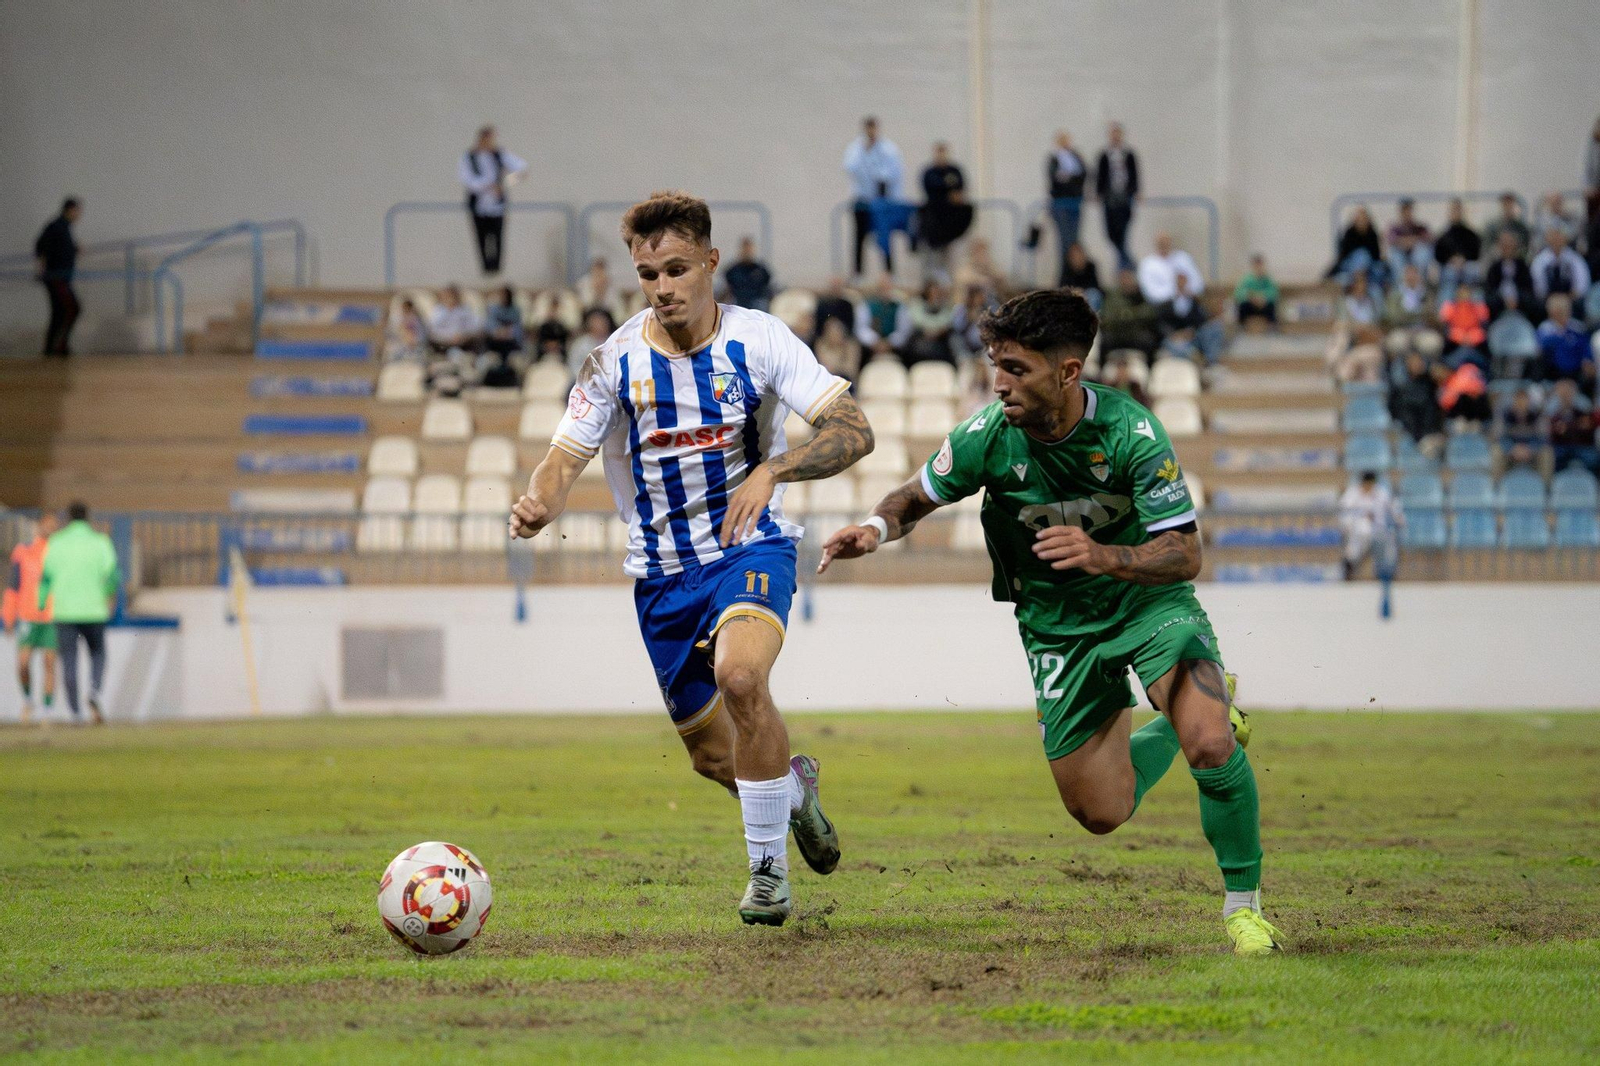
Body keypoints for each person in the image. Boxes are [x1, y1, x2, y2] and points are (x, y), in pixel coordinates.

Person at [818, 288, 1280, 957]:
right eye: (995, 365)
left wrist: (1104, 555)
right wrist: (872, 528)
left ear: (1067, 372)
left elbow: (1185, 553)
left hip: (1146, 605)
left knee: (1213, 744)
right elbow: (916, 496)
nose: (998, 382)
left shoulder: (1132, 433)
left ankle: (1245, 911)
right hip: (1057, 628)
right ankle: (1179, 727)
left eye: (1016, 368)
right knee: (1101, 812)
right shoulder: (986, 437)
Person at [509, 191, 873, 926]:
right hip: (662, 576)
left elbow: (852, 428)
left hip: (751, 546)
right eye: (648, 275)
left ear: (711, 263)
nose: (663, 287)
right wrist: (539, 500)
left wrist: (774, 470)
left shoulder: (761, 340)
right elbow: (563, 454)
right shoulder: (613, 360)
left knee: (741, 677)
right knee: (714, 759)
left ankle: (767, 875)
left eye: (677, 269)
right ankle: (791, 792)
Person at [37, 502, 119, 724]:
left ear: (68, 518)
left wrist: (42, 602)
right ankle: (94, 691)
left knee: (69, 661)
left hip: (64, 612)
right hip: (94, 610)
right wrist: (110, 598)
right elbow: (112, 576)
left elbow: (45, 577)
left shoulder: (56, 543)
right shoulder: (101, 542)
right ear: (88, 517)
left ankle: (75, 712)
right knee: (98, 654)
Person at [3, 513, 58, 723]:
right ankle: (28, 700)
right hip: (27, 615)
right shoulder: (23, 551)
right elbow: (13, 585)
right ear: (38, 527)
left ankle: (47, 709)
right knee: (23, 664)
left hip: (51, 616)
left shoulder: (57, 552)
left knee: (49, 662)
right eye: (47, 526)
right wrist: (8, 615)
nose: (49, 530)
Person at [459, 125, 528, 275]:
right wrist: (487, 186)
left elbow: (521, 169)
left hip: (497, 205)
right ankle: (485, 269)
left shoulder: (499, 154)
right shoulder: (469, 156)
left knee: (497, 237)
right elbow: (467, 179)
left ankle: (496, 269)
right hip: (478, 204)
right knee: (481, 238)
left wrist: (504, 185)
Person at [842, 116, 904, 277]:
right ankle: (858, 273)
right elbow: (850, 167)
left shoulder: (888, 148)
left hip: (882, 201)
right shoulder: (856, 148)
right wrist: (866, 150)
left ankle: (889, 273)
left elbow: (894, 172)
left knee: (884, 237)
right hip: (862, 201)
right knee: (859, 237)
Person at [35, 198, 82, 357]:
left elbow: (61, 249)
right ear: (70, 210)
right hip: (56, 278)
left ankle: (53, 347)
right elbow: (40, 245)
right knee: (71, 308)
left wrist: (74, 249)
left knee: (60, 311)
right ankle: (57, 346)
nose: (79, 215)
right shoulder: (56, 226)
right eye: (77, 211)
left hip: (62, 278)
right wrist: (42, 267)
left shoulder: (65, 228)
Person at [917, 142, 972, 276]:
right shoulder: (929, 173)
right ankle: (934, 277)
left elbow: (959, 193)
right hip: (934, 219)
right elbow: (932, 192)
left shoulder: (954, 171)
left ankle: (948, 275)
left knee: (951, 254)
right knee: (933, 254)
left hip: (951, 220)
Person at [1337, 473, 1403, 582]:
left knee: (1388, 543)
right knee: (1356, 542)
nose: (1368, 487)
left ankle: (1385, 573)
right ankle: (1349, 568)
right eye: (1366, 484)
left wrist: (1398, 519)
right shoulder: (1352, 493)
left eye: (1371, 484)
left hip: (1379, 529)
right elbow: (1344, 512)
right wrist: (1347, 526)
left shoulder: (1381, 493)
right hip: (1357, 529)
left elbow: (1394, 509)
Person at [1094, 122, 1140, 269]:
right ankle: (1128, 260)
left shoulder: (1129, 154)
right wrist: (1099, 193)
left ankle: (1124, 266)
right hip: (1109, 198)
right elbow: (1100, 176)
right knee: (1110, 233)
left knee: (1123, 231)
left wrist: (1135, 191)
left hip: (1125, 198)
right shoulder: (1104, 155)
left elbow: (1134, 174)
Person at [1046, 130, 1088, 284]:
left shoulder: (1075, 156)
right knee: (1064, 242)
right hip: (1061, 204)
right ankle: (1064, 278)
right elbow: (1055, 180)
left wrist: (1067, 178)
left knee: (1074, 242)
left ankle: (1075, 276)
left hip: (1074, 203)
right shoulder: (1054, 158)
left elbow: (1082, 175)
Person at [1157, 272, 1225, 367]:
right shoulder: (1167, 303)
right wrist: (1174, 334)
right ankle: (1191, 356)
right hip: (1175, 337)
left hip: (1193, 335)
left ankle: (1211, 362)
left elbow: (1201, 320)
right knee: (1174, 345)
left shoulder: (1194, 301)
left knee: (1214, 328)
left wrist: (1191, 331)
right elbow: (1162, 323)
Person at [1328, 272, 1384, 383]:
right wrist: (1354, 327)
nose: (1360, 288)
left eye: (1363, 285)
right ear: (1352, 286)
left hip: (1366, 344)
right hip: (1349, 341)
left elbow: (1376, 330)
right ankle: (1334, 363)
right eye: (1357, 285)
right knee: (1340, 335)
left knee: (1365, 364)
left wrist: (1363, 330)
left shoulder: (1371, 304)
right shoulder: (1345, 303)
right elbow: (1339, 325)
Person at [1388, 351, 1444, 454]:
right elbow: (1399, 414)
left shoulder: (1430, 385)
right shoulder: (1401, 390)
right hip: (1415, 434)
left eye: (1419, 362)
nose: (1418, 365)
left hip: (1432, 432)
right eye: (1414, 363)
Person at [1382, 263, 1440, 362]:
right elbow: (1393, 317)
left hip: (1422, 330)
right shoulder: (1395, 295)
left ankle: (1426, 370)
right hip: (1401, 330)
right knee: (1396, 343)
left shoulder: (1426, 294)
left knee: (1433, 343)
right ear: (1404, 276)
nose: (1412, 277)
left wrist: (1411, 316)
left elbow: (1432, 315)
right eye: (1409, 274)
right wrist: (1418, 315)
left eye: (1414, 274)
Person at [1099, 267, 1161, 358]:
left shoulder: (1140, 294)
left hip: (1135, 332)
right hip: (1117, 333)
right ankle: (1101, 368)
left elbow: (1149, 313)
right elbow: (1107, 317)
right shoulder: (1113, 296)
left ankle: (1150, 369)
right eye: (1123, 278)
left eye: (1128, 278)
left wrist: (1128, 314)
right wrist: (1129, 316)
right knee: (1105, 342)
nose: (1126, 281)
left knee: (1149, 341)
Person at [1545, 378, 1599, 474]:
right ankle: (1555, 487)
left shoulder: (1583, 408)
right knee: (1552, 458)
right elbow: (1553, 431)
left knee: (1593, 459)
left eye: (1568, 391)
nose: (1565, 395)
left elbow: (1587, 427)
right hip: (1560, 447)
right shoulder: (1552, 410)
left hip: (1582, 446)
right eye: (1562, 392)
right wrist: (1574, 426)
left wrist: (1567, 427)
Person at [1537, 294, 1594, 383]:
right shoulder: (1545, 328)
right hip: (1553, 372)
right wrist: (1561, 336)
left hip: (1576, 371)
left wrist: (1587, 359)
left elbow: (1585, 346)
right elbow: (1542, 347)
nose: (1563, 315)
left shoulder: (1577, 327)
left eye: (1565, 311)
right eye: (1559, 312)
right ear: (1552, 313)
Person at [1138, 232, 1205, 305]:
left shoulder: (1182, 258)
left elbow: (1198, 284)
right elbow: (1151, 293)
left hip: (1188, 303)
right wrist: (1175, 291)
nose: (1164, 245)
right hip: (1163, 307)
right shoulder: (1148, 264)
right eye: (1161, 243)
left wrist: (1186, 289)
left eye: (1166, 243)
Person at [902, 277, 957, 365]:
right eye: (931, 291)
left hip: (940, 340)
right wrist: (931, 330)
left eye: (936, 291)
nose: (934, 293)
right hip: (921, 338)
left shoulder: (945, 306)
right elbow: (918, 320)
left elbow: (947, 320)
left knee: (953, 339)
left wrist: (937, 331)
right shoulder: (917, 304)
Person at [1434, 197, 1482, 295]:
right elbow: (1439, 254)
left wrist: (1463, 259)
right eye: (1454, 210)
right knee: (1449, 273)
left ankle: (1473, 301)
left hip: (1467, 265)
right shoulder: (1443, 235)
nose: (1456, 213)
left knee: (1474, 270)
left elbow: (1476, 252)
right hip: (1449, 267)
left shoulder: (1470, 233)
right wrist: (1451, 259)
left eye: (1458, 210)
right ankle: (1446, 305)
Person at [1530, 228, 1591, 305]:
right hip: (1547, 302)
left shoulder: (1575, 259)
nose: (1556, 240)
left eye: (1559, 237)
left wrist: (1567, 299)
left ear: (1566, 239)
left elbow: (1582, 286)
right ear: (1547, 239)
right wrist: (1553, 301)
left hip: (1571, 301)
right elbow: (1538, 287)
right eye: (1553, 237)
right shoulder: (1539, 261)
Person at [1485, 229, 1536, 320]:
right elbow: (1490, 291)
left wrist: (1517, 300)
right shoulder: (1494, 268)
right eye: (1505, 245)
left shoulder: (1523, 267)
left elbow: (1528, 290)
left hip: (1520, 307)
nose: (1507, 248)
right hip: (1499, 308)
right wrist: (1503, 301)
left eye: (1510, 245)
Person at [854, 275, 910, 358]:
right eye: (882, 288)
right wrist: (875, 342)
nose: (885, 290)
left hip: (894, 347)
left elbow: (904, 330)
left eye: (887, 287)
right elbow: (860, 328)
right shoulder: (866, 305)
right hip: (871, 347)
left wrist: (889, 343)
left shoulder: (899, 306)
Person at [1327, 205, 1383, 285]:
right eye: (1359, 219)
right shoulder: (1350, 233)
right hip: (1351, 267)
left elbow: (1376, 256)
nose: (1362, 221)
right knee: (1361, 255)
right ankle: (1358, 279)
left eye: (1364, 218)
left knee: (1367, 258)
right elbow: (1344, 255)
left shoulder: (1372, 234)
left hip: (1369, 269)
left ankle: (1362, 280)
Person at [721, 237, 775, 311]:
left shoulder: (760, 270)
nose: (747, 252)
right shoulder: (733, 270)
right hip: (738, 300)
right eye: (745, 249)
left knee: (762, 305)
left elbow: (769, 288)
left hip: (757, 300)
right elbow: (726, 288)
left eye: (749, 249)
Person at [1385, 199, 1433, 283]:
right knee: (1395, 253)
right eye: (1405, 211)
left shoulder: (1419, 228)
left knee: (1424, 251)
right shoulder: (1395, 228)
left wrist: (1414, 240)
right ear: (1401, 213)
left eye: (1409, 211)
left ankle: (1418, 284)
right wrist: (1404, 241)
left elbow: (1430, 238)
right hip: (1402, 260)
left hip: (1416, 261)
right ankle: (1401, 285)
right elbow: (1390, 239)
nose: (1407, 214)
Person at [1494, 388, 1542, 468]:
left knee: (1547, 452)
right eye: (1518, 399)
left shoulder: (1535, 416)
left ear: (1528, 401)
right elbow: (1500, 437)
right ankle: (1497, 480)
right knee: (1496, 451)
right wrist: (1512, 448)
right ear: (1514, 400)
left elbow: (1541, 438)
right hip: (1511, 452)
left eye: (1523, 399)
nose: (1521, 402)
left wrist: (1529, 448)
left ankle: (1546, 480)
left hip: (1530, 452)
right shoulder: (1506, 416)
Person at [427, 285, 482, 352]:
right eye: (448, 296)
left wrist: (463, 335)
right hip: (444, 344)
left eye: (452, 296)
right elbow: (433, 330)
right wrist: (450, 337)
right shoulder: (438, 311)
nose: (450, 299)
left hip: (465, 342)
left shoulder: (464, 309)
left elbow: (475, 325)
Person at [566, 307, 616, 379]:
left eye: (602, 322)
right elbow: (573, 365)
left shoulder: (615, 341)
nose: (599, 325)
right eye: (596, 322)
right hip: (585, 381)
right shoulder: (579, 344)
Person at [1233, 254, 1279, 329]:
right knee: (1242, 306)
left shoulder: (1268, 279)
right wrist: (1250, 297)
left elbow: (1274, 293)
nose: (1259, 268)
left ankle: (1272, 327)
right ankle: (1241, 327)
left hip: (1263, 305)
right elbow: (1238, 293)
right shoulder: (1247, 279)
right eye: (1256, 265)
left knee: (1271, 306)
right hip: (1250, 305)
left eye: (1260, 265)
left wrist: (1263, 298)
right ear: (1253, 266)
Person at [1438, 283, 1489, 352]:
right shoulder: (1450, 306)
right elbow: (1445, 324)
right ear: (1457, 293)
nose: (1464, 295)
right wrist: (1461, 336)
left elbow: (1483, 324)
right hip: (1455, 336)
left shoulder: (1478, 307)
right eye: (1462, 292)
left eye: (1467, 292)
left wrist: (1471, 337)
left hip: (1474, 335)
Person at [811, 315, 862, 381]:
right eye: (832, 331)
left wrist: (842, 350)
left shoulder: (852, 346)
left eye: (839, 330)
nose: (836, 334)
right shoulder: (820, 344)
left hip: (848, 382)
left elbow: (851, 371)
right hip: (827, 382)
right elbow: (827, 369)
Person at [1481, 192, 1531, 260]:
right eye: (1505, 204)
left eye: (1510, 204)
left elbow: (1526, 246)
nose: (1507, 207)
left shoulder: (1521, 227)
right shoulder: (1493, 226)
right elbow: (1487, 245)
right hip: (1497, 258)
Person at [1059, 243, 1102, 310]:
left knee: (1093, 295)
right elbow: (1062, 287)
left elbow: (1095, 286)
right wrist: (1075, 291)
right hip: (1072, 297)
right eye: (1074, 256)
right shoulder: (1067, 269)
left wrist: (1082, 291)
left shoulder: (1090, 267)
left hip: (1087, 296)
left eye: (1079, 254)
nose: (1077, 257)